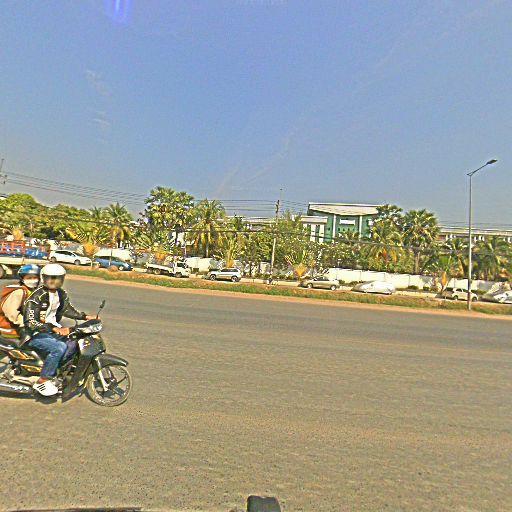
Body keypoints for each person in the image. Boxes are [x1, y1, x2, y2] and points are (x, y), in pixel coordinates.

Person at [24, 263, 95, 396]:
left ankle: (57, 370)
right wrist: (53, 328)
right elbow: (30, 321)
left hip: (51, 330)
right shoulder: (36, 297)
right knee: (59, 348)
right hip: (35, 333)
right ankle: (43, 379)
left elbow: (66, 309)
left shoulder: (61, 294)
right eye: (51, 278)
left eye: (58, 279)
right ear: (43, 278)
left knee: (74, 343)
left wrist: (84, 316)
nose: (54, 282)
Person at [0, 264, 41, 339]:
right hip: (12, 329)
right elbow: (12, 314)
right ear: (22, 279)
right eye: (29, 278)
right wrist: (27, 323)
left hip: (27, 326)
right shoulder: (19, 292)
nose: (32, 280)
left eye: (35, 277)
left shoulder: (33, 291)